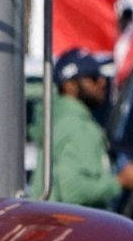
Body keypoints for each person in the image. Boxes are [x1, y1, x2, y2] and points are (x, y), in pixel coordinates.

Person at [46, 48, 121, 208]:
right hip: (74, 229)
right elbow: (73, 191)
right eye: (93, 78)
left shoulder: (56, 120)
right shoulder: (75, 126)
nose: (102, 82)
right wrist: (119, 182)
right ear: (69, 86)